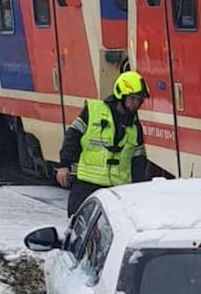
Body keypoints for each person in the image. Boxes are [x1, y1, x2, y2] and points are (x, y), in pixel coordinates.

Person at [56, 70, 151, 215]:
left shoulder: (134, 126)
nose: (135, 104)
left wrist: (138, 189)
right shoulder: (94, 111)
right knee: (78, 227)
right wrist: (64, 165)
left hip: (117, 190)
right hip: (87, 185)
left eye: (139, 100)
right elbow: (72, 137)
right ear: (121, 95)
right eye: (132, 99)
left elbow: (138, 160)